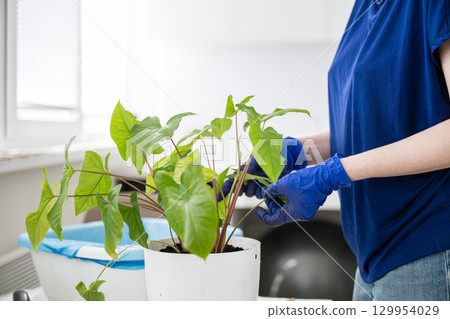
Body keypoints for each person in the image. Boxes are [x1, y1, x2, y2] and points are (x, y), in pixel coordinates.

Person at [222, 0, 450, 301]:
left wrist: (334, 173)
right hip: (370, 257)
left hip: (425, 249)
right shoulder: (365, 6)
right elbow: (370, 131)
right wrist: (299, 153)